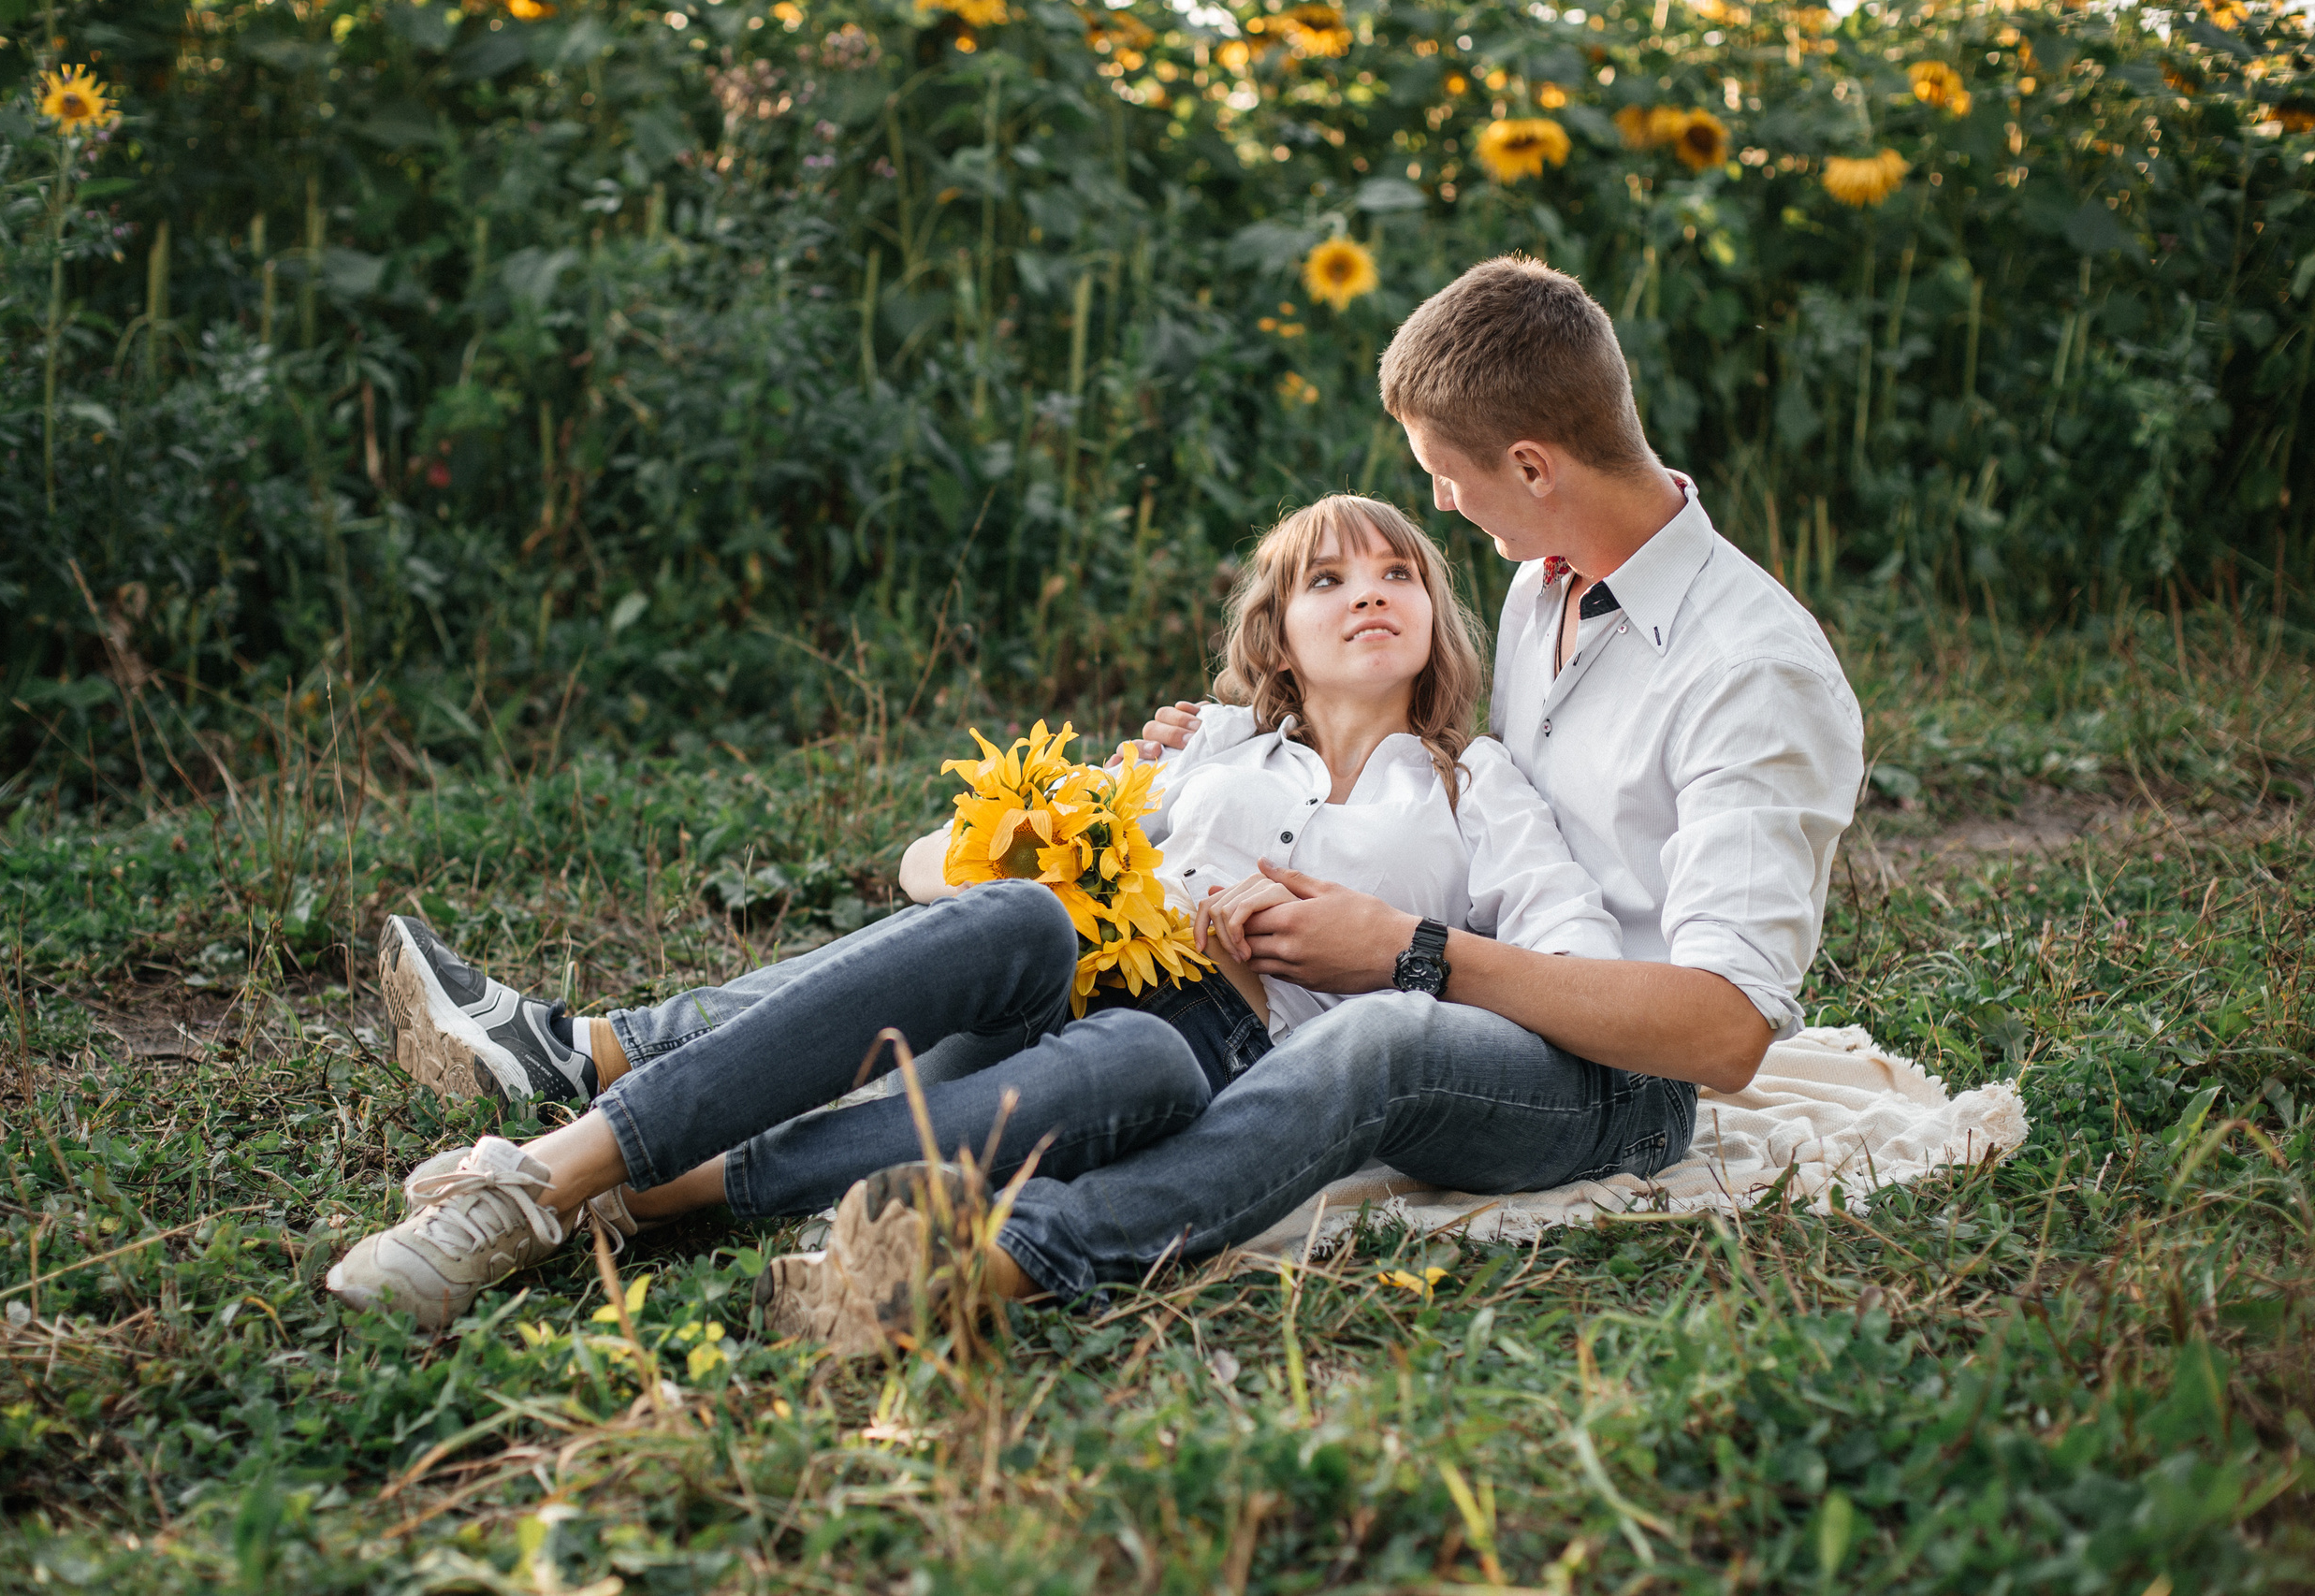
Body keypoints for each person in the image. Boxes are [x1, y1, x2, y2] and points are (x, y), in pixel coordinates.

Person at [770, 253, 1867, 1317]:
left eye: (1448, 470)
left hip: (1618, 1079)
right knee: (1051, 963)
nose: (1440, 502)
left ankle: (997, 1259)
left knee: (1377, 1034)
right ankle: (729, 1125)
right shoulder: (1550, 577)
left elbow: (1725, 1032)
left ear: (1533, 466)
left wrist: (1411, 950)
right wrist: (1235, 741)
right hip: (1497, 972)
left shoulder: (1750, 671)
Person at [327, 494, 1623, 1351]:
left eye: (1401, 571)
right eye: (1327, 577)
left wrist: (1386, 946)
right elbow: (923, 870)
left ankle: (653, 1179)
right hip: (1043, 989)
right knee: (1020, 919)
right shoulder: (1204, 750)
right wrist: (1038, 846)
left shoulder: (1475, 783)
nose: (1369, 591)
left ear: (1440, 620)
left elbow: (1574, 971)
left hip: (1218, 1054)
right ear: (1275, 633)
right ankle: (545, 1174)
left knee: (1146, 1057)